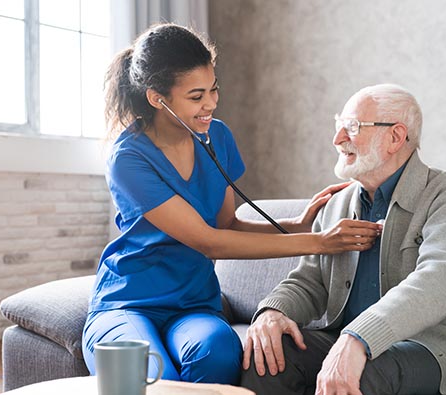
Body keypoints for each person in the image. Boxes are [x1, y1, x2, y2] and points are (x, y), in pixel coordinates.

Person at [82, 23, 383, 385]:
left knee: (219, 354)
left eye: (213, 90)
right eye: (196, 97)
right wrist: (319, 242)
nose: (210, 104)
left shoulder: (217, 136)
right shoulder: (128, 158)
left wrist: (299, 225)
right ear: (157, 99)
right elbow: (207, 241)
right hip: (129, 301)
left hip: (193, 305)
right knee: (147, 374)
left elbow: (226, 225)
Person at [241, 84, 446, 395]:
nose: (337, 139)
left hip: (434, 348)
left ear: (395, 136)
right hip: (349, 340)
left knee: (367, 372)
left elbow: (439, 283)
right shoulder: (337, 203)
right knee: (269, 355)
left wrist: (359, 337)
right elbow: (309, 282)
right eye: (339, 126)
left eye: (351, 127)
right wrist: (274, 312)